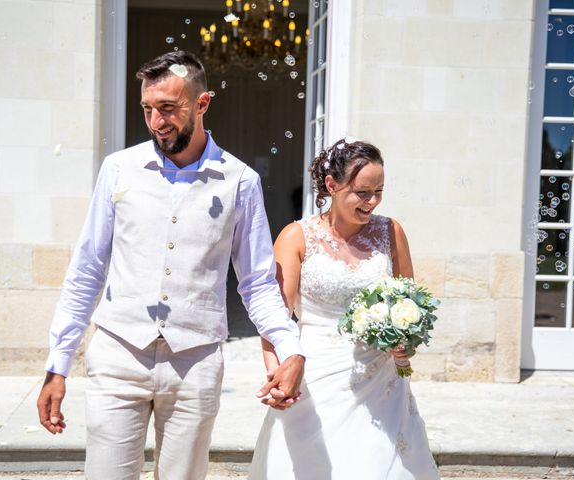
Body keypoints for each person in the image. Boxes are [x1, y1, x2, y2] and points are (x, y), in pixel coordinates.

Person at [36, 50, 305, 480]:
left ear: (202, 104)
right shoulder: (118, 169)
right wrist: (58, 361)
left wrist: (290, 348)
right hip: (117, 356)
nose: (158, 121)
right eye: (148, 109)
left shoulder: (241, 182)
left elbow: (256, 283)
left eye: (169, 108)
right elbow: (87, 268)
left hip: (195, 364)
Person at [249, 139, 439, 479]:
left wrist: (404, 341)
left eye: (379, 191)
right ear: (332, 185)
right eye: (362, 192)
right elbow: (274, 318)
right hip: (317, 376)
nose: (372, 202)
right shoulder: (296, 237)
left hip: (382, 383)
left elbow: (411, 302)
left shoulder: (391, 232)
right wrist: (277, 375)